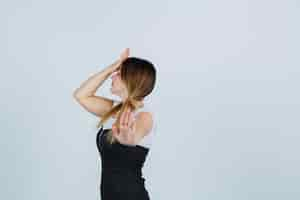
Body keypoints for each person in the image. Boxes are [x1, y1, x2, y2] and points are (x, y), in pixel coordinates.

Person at [73, 48, 156, 200]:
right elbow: (81, 95)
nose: (113, 76)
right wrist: (113, 66)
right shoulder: (113, 109)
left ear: (129, 80)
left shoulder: (144, 116)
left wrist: (128, 140)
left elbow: (136, 135)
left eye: (118, 73)